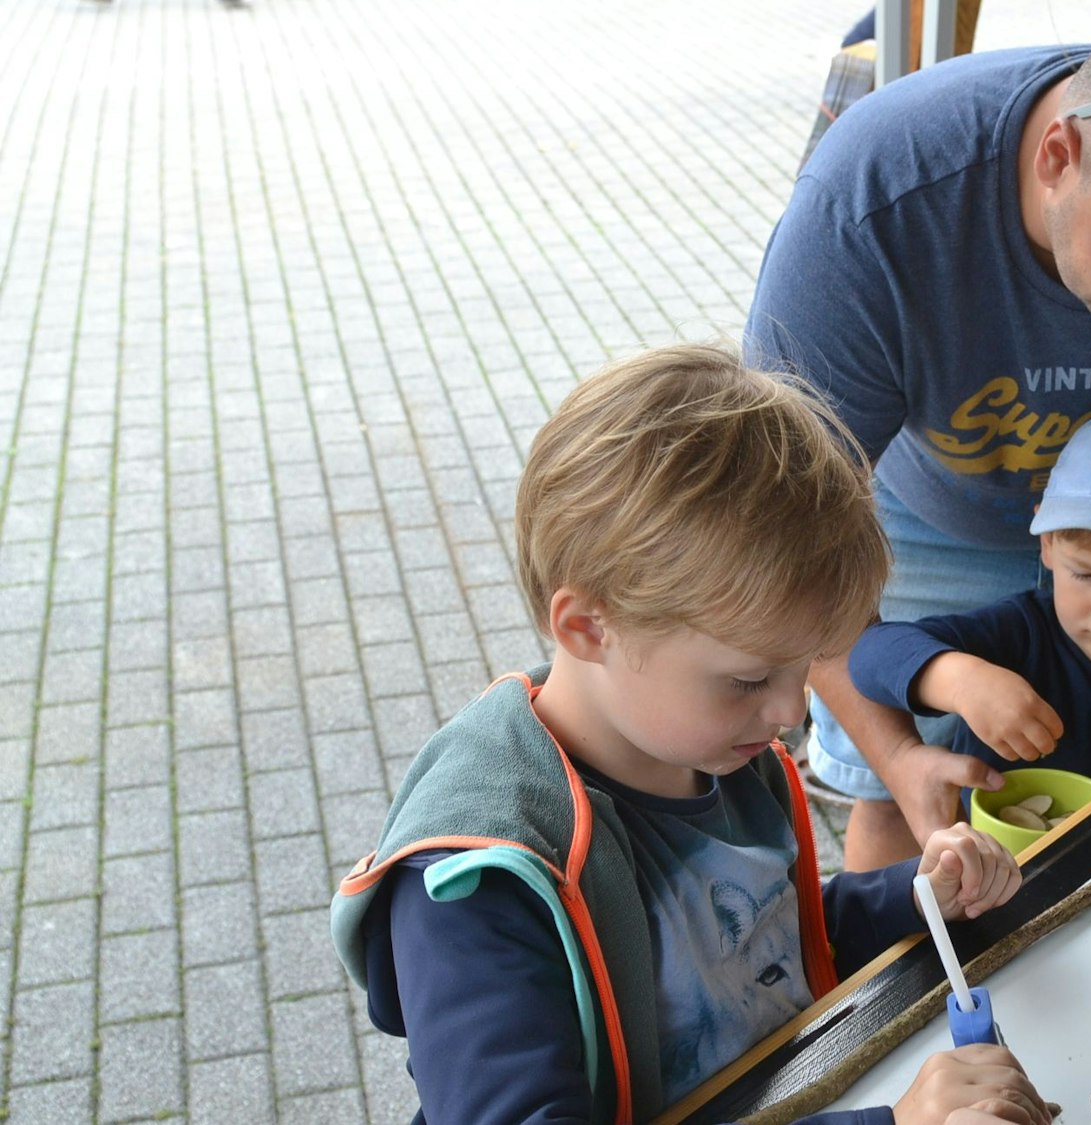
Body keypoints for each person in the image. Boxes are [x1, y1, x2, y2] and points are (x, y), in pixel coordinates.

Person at [328, 346, 1050, 1125]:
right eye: (748, 679)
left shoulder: (709, 749)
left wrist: (915, 899)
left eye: (801, 666)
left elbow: (746, 948)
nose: (791, 714)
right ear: (586, 626)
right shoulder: (477, 885)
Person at [744, 12, 1091, 871]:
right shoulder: (872, 207)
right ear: (1057, 158)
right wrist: (902, 755)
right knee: (898, 803)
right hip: (928, 520)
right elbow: (780, 550)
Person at [847, 409, 1091, 815]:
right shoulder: (1020, 635)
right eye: (1084, 573)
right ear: (1046, 546)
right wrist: (962, 682)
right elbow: (871, 655)